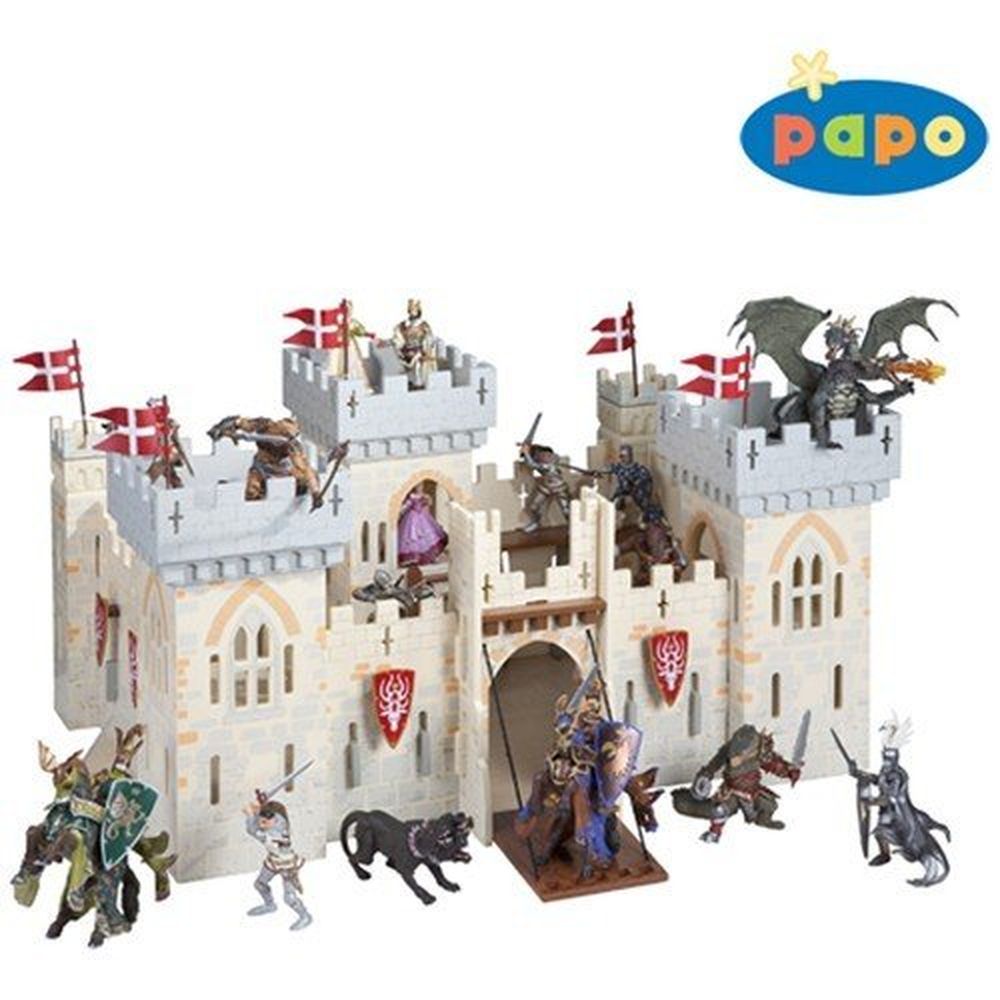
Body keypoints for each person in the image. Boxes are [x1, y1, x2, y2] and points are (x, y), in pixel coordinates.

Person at [208, 415, 323, 509]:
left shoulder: (292, 446)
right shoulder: (263, 425)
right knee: (252, 491)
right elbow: (241, 422)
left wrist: (315, 493)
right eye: (282, 433)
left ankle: (299, 498)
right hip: (261, 468)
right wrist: (221, 428)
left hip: (282, 471)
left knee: (301, 480)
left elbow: (305, 469)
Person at [244, 798, 312, 931]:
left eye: (265, 822)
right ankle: (270, 905)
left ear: (278, 821)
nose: (261, 824)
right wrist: (258, 811)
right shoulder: (275, 826)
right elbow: (261, 824)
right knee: (260, 884)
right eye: (261, 821)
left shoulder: (275, 834)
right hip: (273, 861)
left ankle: (305, 916)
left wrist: (250, 814)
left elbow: (253, 830)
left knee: (289, 897)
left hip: (287, 866)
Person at [397, 485, 448, 565]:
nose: (419, 488)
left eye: (420, 487)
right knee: (412, 536)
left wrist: (427, 501)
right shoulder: (412, 496)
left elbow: (428, 503)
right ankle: (414, 558)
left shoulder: (423, 496)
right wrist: (401, 511)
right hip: (413, 517)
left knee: (427, 534)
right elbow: (407, 505)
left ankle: (429, 556)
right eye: (418, 487)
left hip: (421, 516)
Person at [392, 299, 437, 389]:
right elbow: (398, 338)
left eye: (414, 310)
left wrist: (426, 346)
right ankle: (410, 382)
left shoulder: (424, 326)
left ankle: (419, 383)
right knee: (405, 364)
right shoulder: (404, 325)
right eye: (411, 309)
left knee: (417, 364)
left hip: (420, 351)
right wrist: (398, 344)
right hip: (407, 350)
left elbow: (429, 338)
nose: (412, 312)